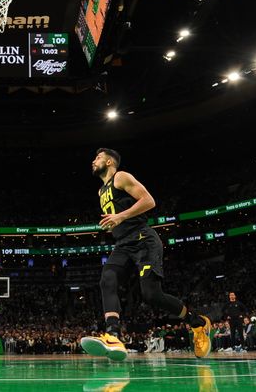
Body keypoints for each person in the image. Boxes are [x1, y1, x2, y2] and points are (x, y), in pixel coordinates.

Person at [80, 148, 211, 361]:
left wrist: (121, 216)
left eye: (98, 157)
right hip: (123, 243)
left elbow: (149, 201)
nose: (93, 160)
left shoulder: (120, 177)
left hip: (143, 239)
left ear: (110, 162)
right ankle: (113, 334)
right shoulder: (101, 191)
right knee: (107, 278)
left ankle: (197, 323)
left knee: (151, 295)